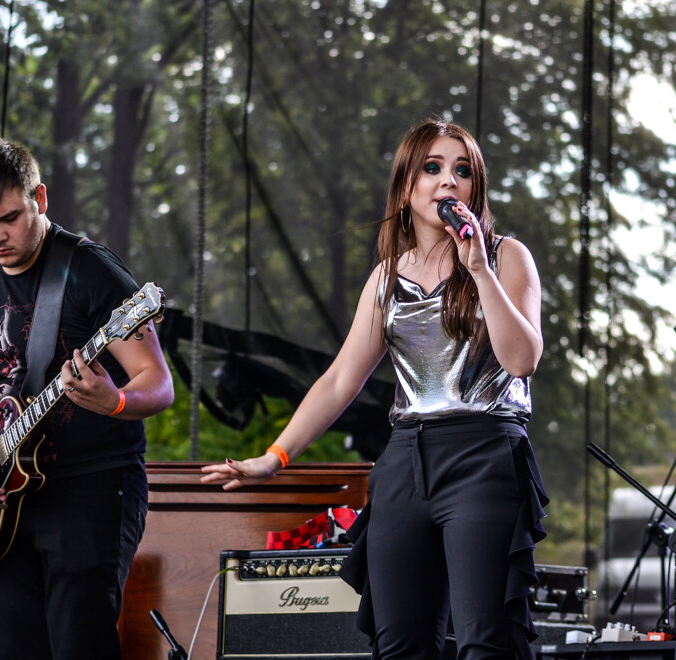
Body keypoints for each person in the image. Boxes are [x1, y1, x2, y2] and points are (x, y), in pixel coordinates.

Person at [201, 117, 548, 659]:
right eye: (432, 168)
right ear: (407, 186)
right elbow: (341, 379)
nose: (448, 181)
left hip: (485, 453)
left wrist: (478, 269)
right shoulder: (387, 277)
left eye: (462, 171)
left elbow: (522, 359)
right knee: (400, 643)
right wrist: (275, 456)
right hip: (405, 460)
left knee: (487, 640)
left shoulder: (505, 256)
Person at [0, 135, 174, 660]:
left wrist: (117, 401)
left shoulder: (88, 270)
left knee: (80, 644)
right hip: (6, 500)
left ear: (39, 199)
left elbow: (157, 379)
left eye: (8, 219)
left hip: (91, 490)